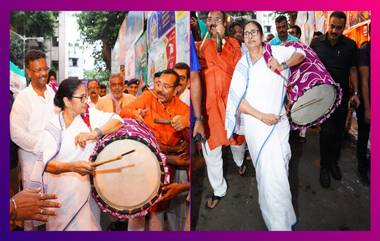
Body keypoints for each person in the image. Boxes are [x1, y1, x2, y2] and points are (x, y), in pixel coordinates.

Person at [226, 20, 305, 230]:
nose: (250, 36)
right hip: (257, 125)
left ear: (261, 36)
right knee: (269, 174)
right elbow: (237, 102)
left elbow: (301, 54)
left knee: (281, 170)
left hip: (279, 124)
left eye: (254, 32)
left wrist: (283, 65)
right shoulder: (242, 65)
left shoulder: (276, 52)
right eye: (246, 33)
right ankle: (279, 226)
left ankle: (282, 217)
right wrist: (262, 116)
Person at [41, 77, 123, 230]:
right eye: (82, 97)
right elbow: (46, 164)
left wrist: (94, 134)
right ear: (67, 101)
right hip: (59, 194)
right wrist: (73, 167)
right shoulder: (53, 126)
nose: (86, 100)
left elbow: (118, 121)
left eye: (86, 96)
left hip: (84, 193)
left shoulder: (89, 116)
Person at [121, 69, 190, 230]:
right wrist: (135, 113)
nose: (159, 89)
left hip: (164, 169)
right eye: (158, 84)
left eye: (166, 86)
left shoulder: (183, 110)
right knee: (136, 211)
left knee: (157, 212)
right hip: (141, 163)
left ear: (176, 90)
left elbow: (191, 141)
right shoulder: (147, 97)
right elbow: (124, 112)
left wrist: (187, 124)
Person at [198, 11, 246, 209]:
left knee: (237, 140)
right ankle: (219, 189)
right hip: (209, 106)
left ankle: (239, 160)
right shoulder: (200, 46)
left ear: (225, 23)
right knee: (212, 149)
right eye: (209, 20)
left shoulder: (234, 45)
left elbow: (240, 71)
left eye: (217, 20)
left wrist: (221, 44)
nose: (212, 23)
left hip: (231, 103)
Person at [310, 11, 360, 188]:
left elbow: (353, 70)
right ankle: (324, 167)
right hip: (322, 97)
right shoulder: (316, 43)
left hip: (342, 97)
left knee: (338, 133)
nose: (335, 31)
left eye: (339, 28)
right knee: (326, 132)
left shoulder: (350, 45)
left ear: (343, 28)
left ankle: (333, 163)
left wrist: (356, 93)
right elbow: (310, 67)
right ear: (327, 25)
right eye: (332, 26)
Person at [10, 49, 56, 230]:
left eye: (45, 69)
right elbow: (16, 133)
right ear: (28, 72)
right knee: (32, 212)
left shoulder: (53, 94)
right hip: (32, 162)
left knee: (52, 210)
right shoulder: (23, 98)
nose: (43, 73)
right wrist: (43, 146)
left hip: (54, 163)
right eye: (37, 70)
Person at [356, 40, 370, 186]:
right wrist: (367, 108)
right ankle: (362, 169)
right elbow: (365, 81)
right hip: (368, 101)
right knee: (364, 137)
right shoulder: (364, 51)